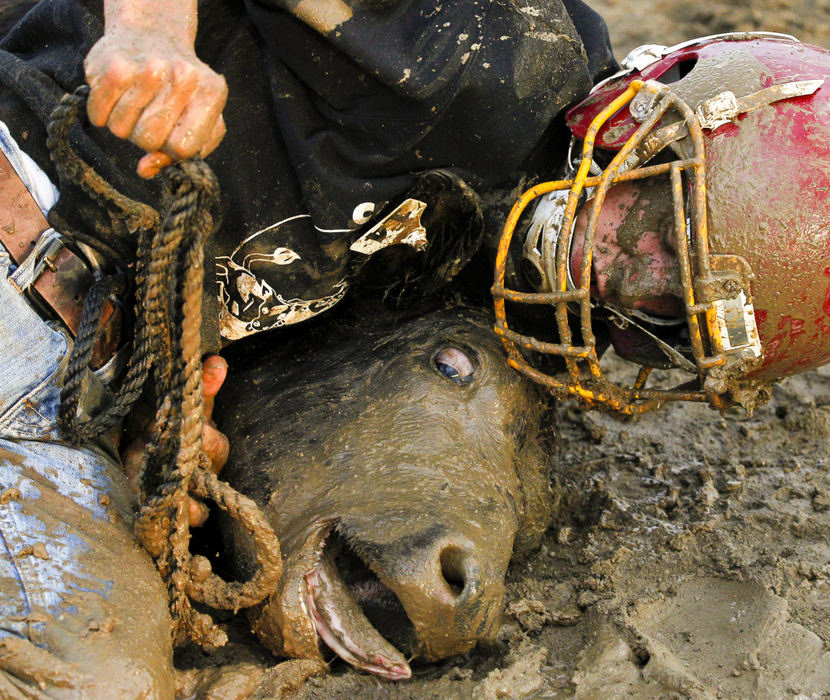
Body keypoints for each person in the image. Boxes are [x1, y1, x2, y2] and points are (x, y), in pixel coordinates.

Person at [0, 0, 617, 696]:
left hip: (70, 363)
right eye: (663, 224)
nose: (639, 274)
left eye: (675, 313)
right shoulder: (493, 52)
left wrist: (153, 420)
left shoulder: (466, 235)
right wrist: (151, 29)